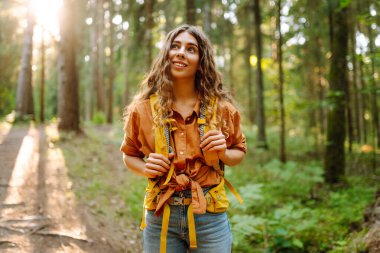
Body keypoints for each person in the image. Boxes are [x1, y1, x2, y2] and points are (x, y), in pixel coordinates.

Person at [120, 24, 246, 253]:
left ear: (201, 61)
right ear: (166, 54)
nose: (180, 52)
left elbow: (239, 152)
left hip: (210, 216)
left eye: (191, 49)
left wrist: (224, 154)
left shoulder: (224, 110)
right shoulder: (142, 110)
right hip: (161, 215)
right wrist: (146, 167)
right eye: (175, 46)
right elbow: (129, 155)